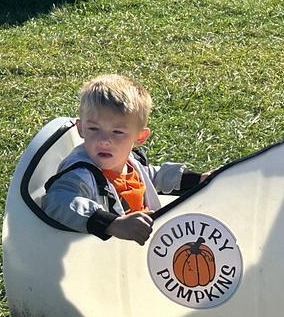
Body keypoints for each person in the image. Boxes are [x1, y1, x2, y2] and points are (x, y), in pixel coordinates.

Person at [42, 74, 209, 244]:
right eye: (93, 128)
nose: (104, 140)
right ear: (81, 129)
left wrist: (198, 179)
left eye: (117, 132)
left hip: (142, 245)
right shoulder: (81, 174)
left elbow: (152, 176)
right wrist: (112, 224)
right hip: (105, 255)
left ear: (140, 137)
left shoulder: (130, 161)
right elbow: (57, 201)